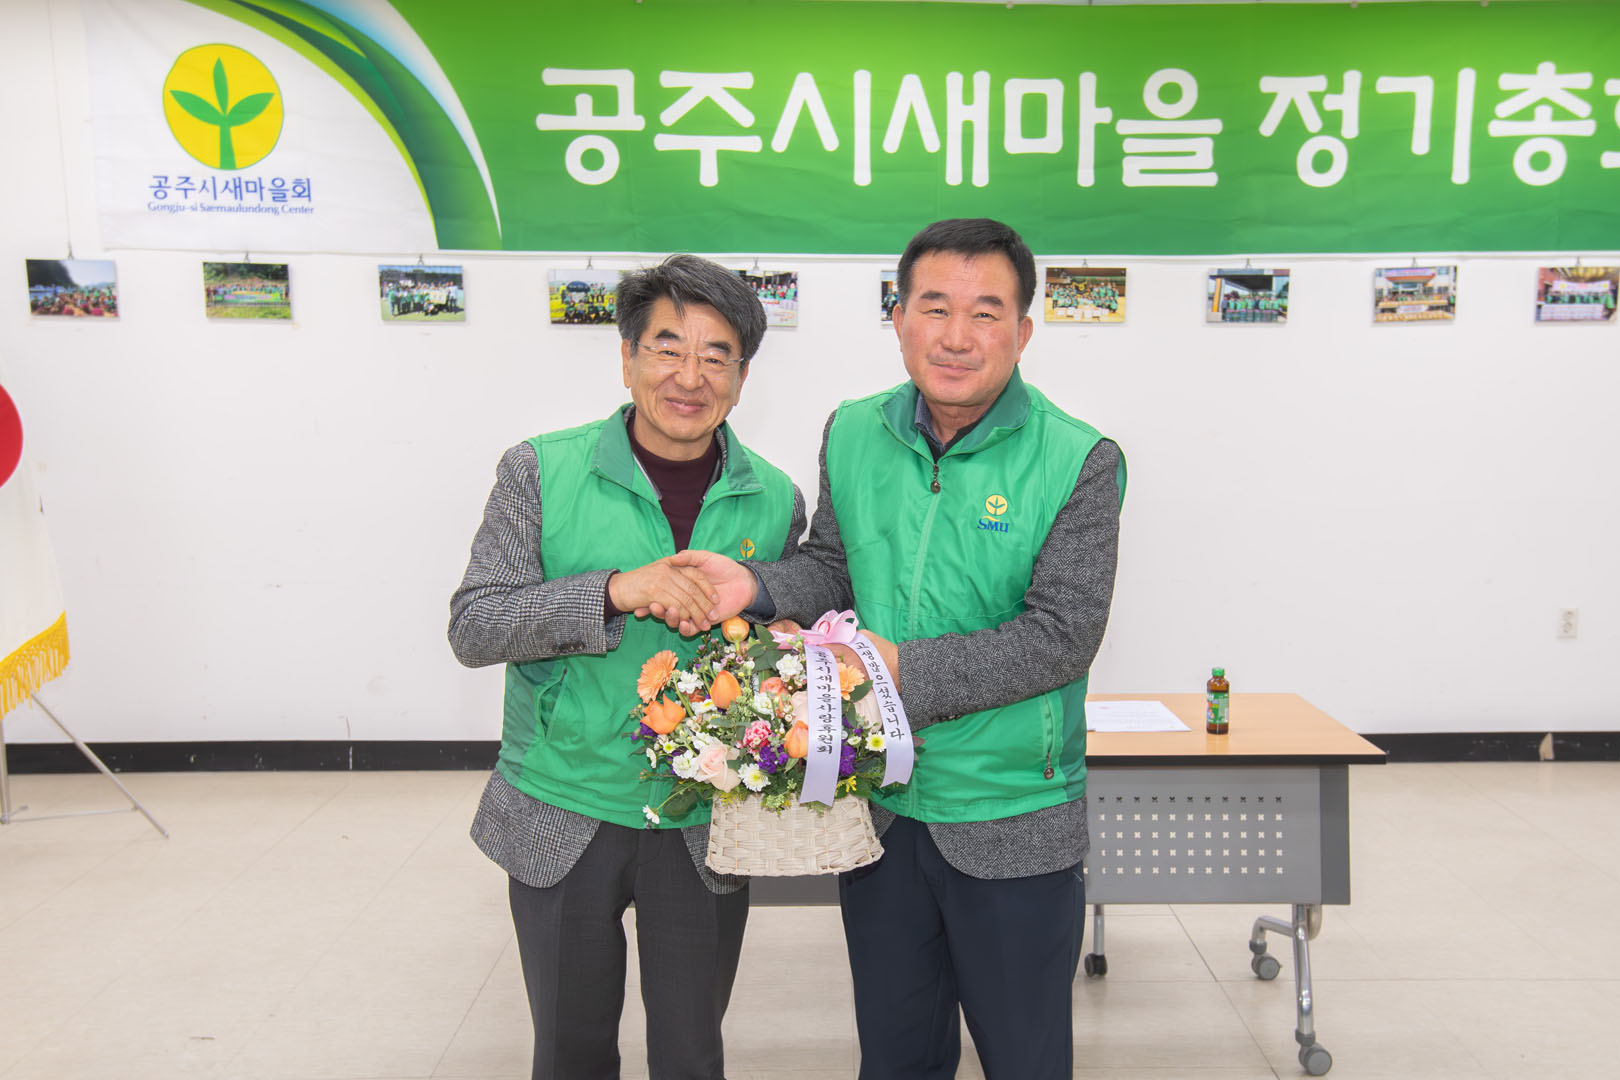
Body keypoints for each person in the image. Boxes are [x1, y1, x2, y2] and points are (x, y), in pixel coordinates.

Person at [677, 218, 1125, 1079]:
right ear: (900, 318)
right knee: (895, 1056)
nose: (957, 336)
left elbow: (1061, 637)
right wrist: (756, 588)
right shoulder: (853, 431)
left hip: (1010, 814)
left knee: (1026, 1060)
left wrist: (898, 671)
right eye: (935, 307)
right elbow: (833, 568)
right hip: (879, 804)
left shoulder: (1079, 460)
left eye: (986, 313)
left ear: (1024, 331)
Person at [448, 253, 806, 1080]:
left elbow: (786, 626)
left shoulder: (776, 497)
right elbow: (475, 626)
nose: (690, 376)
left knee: (692, 1053)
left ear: (742, 377)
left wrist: (778, 633)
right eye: (667, 347)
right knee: (570, 1052)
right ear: (627, 356)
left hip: (704, 816)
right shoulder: (541, 470)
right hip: (565, 803)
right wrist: (614, 592)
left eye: (717, 355)